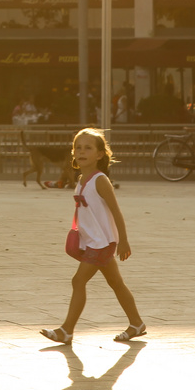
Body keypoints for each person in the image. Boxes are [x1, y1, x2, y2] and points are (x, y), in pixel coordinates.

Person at [39, 128, 145, 345]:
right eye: (78, 147)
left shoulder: (100, 180)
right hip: (94, 242)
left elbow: (116, 211)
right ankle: (137, 323)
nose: (81, 151)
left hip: (102, 243)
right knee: (116, 283)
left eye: (88, 148)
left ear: (99, 154)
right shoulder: (81, 178)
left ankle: (66, 330)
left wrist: (123, 240)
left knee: (78, 281)